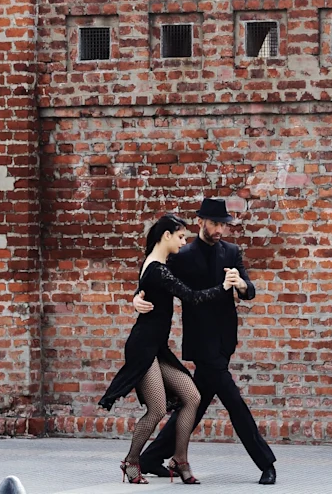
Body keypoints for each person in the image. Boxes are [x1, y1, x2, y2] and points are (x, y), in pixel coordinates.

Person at [133, 197, 278, 485]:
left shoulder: (232, 252)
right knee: (234, 403)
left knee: (193, 404)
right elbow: (154, 273)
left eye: (223, 225)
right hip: (202, 343)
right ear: (201, 222)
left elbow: (250, 292)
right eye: (214, 224)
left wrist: (242, 285)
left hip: (225, 341)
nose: (219, 230)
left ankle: (151, 457)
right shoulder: (183, 255)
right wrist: (137, 296)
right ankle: (266, 462)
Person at [99, 213, 233, 484]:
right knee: (157, 409)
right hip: (143, 347)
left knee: (191, 397)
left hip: (156, 347)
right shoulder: (158, 270)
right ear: (167, 236)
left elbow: (144, 288)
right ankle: (132, 462)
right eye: (181, 236)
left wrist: (135, 297)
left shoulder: (155, 262)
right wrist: (224, 287)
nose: (184, 242)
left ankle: (179, 459)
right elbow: (193, 298)